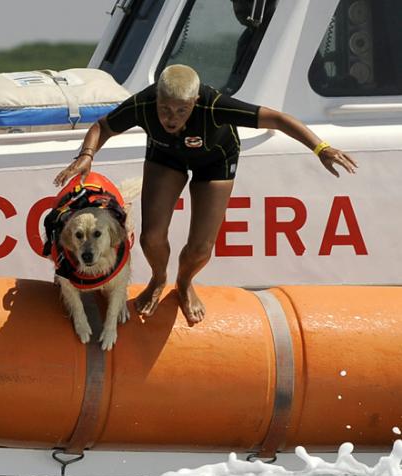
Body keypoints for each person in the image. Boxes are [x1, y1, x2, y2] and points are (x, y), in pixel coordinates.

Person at [53, 64, 358, 325]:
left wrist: (321, 148)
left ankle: (184, 283)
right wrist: (87, 154)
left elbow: (277, 119)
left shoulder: (214, 105)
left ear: (195, 102)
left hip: (216, 160)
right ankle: (159, 278)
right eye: (165, 109)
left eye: (181, 111)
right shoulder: (144, 104)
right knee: (151, 238)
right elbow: (103, 126)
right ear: (156, 98)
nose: (171, 118)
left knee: (201, 248)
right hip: (166, 157)